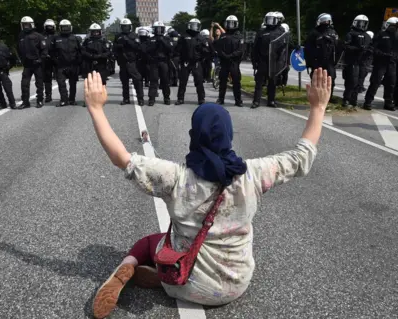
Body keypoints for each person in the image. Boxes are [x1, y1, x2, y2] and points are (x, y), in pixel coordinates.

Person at [83, 68, 330, 319]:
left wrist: (96, 109)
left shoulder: (176, 177)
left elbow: (122, 159)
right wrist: (318, 107)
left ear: (194, 136)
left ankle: (132, 268)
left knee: (150, 242)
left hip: (180, 285)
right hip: (235, 287)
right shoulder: (252, 174)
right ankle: (170, 275)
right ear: (229, 135)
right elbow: (301, 156)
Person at [363, 17, 398, 111]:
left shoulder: (397, 36)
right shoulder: (381, 34)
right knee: (375, 82)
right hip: (381, 63)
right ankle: (368, 101)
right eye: (392, 25)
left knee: (391, 83)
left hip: (392, 63)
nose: (393, 28)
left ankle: (388, 102)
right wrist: (382, 54)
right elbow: (373, 48)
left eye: (395, 26)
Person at [251, 12, 285, 108]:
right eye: (268, 19)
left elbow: (284, 45)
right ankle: (256, 101)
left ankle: (271, 101)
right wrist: (255, 62)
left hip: (274, 61)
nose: (270, 21)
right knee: (259, 82)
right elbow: (255, 48)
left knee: (272, 82)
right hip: (263, 60)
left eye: (272, 19)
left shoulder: (280, 31)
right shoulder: (261, 32)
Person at [304, 13, 339, 105]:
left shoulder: (332, 32)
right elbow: (308, 48)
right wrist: (309, 62)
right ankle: (316, 97)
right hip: (318, 61)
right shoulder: (315, 33)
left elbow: (338, 46)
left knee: (330, 79)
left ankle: (328, 98)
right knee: (317, 80)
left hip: (328, 61)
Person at [175, 18, 210, 105]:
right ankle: (180, 98)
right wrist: (180, 60)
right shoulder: (184, 36)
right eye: (193, 25)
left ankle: (201, 99)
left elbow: (207, 50)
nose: (195, 27)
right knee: (183, 81)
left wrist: (201, 52)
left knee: (199, 81)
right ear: (190, 25)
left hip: (197, 63)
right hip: (185, 62)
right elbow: (177, 49)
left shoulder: (201, 37)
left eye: (196, 25)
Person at [341, 15, 372, 109]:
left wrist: (369, 50)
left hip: (363, 62)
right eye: (360, 23)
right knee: (352, 81)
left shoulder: (367, 36)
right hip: (352, 61)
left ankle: (353, 100)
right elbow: (346, 46)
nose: (362, 25)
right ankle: (346, 99)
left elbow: (371, 47)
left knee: (359, 82)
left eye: (364, 24)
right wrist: (357, 49)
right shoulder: (351, 34)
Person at [113, 18, 145, 106]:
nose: (125, 28)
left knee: (137, 81)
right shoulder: (118, 36)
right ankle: (126, 98)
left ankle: (140, 99)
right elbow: (114, 48)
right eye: (123, 27)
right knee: (124, 82)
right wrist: (118, 47)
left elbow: (138, 47)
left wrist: (128, 41)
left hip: (132, 62)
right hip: (122, 63)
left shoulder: (134, 35)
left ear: (130, 27)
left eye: (126, 27)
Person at [18, 16, 47, 109]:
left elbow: (44, 50)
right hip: (27, 64)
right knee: (24, 84)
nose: (26, 27)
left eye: (27, 25)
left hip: (37, 63)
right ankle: (25, 102)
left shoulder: (38, 36)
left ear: (32, 25)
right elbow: (19, 49)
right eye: (24, 25)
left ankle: (39, 100)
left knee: (39, 83)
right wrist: (21, 59)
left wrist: (40, 59)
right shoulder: (21, 36)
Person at [50, 19, 81, 107]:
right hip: (60, 65)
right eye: (63, 27)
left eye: (66, 27)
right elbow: (52, 52)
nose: (65, 29)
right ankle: (64, 100)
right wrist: (55, 61)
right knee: (61, 83)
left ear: (70, 27)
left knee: (73, 83)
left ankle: (72, 100)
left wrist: (78, 62)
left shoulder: (75, 38)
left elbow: (80, 51)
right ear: (60, 28)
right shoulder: (56, 38)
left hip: (73, 65)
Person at [215, 15, 243, 107]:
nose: (230, 25)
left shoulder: (239, 36)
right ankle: (221, 99)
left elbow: (240, 50)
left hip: (234, 63)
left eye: (232, 23)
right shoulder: (223, 36)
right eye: (229, 23)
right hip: (224, 63)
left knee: (236, 82)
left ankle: (238, 101)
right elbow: (218, 49)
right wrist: (224, 56)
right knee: (222, 82)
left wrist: (230, 56)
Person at [81, 23, 110, 107]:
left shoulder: (104, 40)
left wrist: (100, 56)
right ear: (91, 32)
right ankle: (87, 100)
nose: (95, 33)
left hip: (101, 64)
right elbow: (83, 51)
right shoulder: (87, 41)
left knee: (102, 82)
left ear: (100, 32)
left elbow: (108, 52)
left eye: (97, 32)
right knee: (89, 83)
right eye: (93, 32)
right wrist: (91, 56)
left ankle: (102, 99)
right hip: (90, 64)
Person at [145, 21, 173, 106]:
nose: (159, 31)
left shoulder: (167, 39)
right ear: (154, 29)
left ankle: (166, 98)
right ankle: (151, 99)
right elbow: (147, 50)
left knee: (165, 81)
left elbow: (170, 49)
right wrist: (156, 43)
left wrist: (162, 41)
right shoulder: (151, 39)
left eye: (161, 29)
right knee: (153, 81)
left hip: (164, 62)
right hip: (154, 62)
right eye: (157, 29)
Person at [43, 19, 56, 103]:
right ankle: (48, 95)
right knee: (47, 79)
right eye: (48, 27)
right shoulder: (41, 36)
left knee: (61, 79)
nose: (49, 28)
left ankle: (64, 96)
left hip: (55, 59)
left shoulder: (57, 36)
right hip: (46, 60)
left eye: (51, 27)